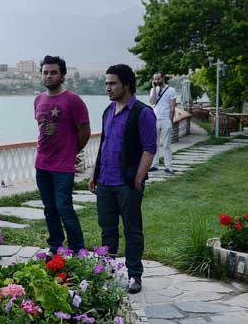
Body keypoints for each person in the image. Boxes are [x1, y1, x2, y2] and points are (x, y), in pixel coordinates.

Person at [89, 64, 156, 294]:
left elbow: (149, 148)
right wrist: (94, 173)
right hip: (105, 182)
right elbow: (104, 144)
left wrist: (138, 178)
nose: (107, 88)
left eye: (112, 83)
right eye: (106, 83)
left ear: (126, 84)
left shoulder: (142, 112)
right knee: (107, 229)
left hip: (127, 183)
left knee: (132, 230)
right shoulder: (108, 111)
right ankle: (106, 270)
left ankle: (135, 275)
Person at [34, 56, 90, 255]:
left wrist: (71, 151)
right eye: (45, 72)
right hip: (41, 164)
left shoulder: (73, 100)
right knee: (49, 209)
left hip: (63, 166)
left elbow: (85, 131)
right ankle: (55, 246)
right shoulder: (38, 100)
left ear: (62, 75)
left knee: (64, 207)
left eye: (53, 72)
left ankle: (77, 249)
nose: (49, 76)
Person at [148, 71, 177, 174]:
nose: (156, 81)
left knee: (167, 145)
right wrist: (154, 89)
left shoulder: (171, 90)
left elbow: (173, 107)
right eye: (155, 79)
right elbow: (152, 102)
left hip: (166, 120)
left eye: (158, 79)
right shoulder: (153, 90)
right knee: (154, 145)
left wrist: (170, 120)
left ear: (163, 78)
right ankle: (154, 165)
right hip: (154, 120)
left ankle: (168, 167)